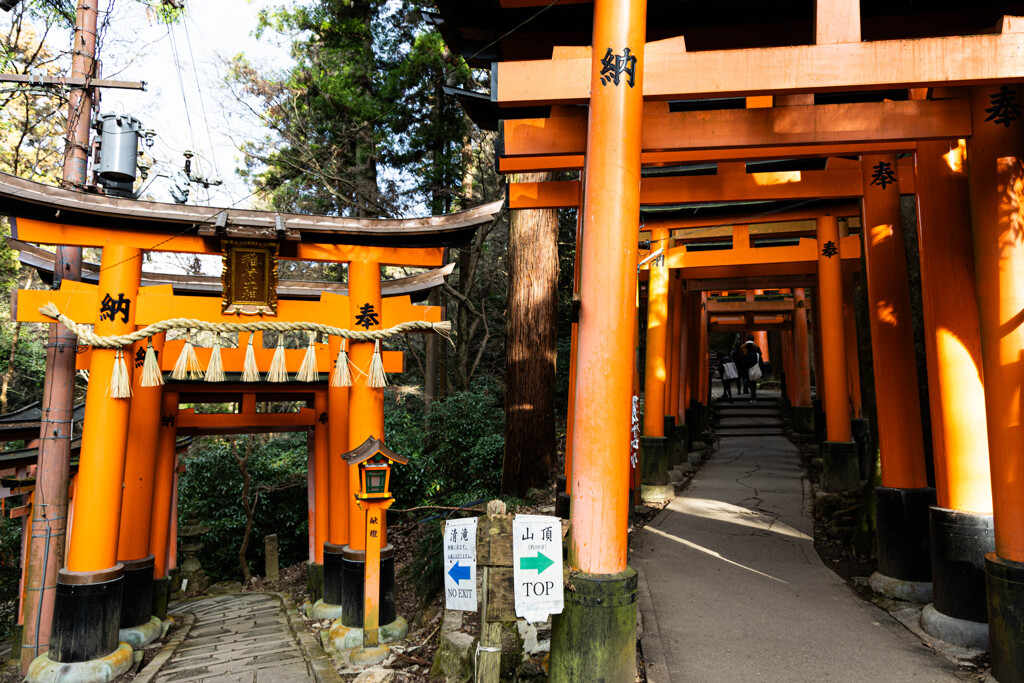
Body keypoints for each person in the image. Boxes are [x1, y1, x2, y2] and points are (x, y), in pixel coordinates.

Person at [740, 335, 764, 402]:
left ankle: (746, 391)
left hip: (747, 368)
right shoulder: (756, 346)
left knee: (747, 380)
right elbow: (760, 355)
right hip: (755, 366)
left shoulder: (743, 346)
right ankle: (754, 395)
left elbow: (740, 356)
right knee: (753, 382)